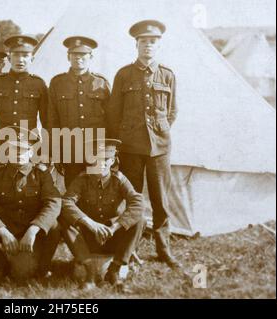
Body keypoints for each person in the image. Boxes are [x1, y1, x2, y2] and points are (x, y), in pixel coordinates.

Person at [107, 20, 180, 268]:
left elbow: (172, 112)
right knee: (133, 199)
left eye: (153, 41)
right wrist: (120, 143)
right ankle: (130, 247)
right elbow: (113, 113)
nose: (148, 45)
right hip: (130, 147)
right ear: (136, 44)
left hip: (159, 148)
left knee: (161, 201)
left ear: (158, 45)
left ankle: (163, 249)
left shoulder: (167, 75)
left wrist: (160, 131)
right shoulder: (124, 74)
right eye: (143, 41)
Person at [0, 126, 62, 280]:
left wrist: (34, 229)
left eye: (24, 150)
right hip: (8, 226)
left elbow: (53, 203)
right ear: (7, 153)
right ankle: (2, 266)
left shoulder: (41, 173)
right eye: (15, 150)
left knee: (54, 227)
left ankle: (44, 268)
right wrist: (3, 231)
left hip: (32, 226)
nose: (19, 154)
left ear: (31, 153)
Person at [61, 138, 146, 290]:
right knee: (64, 219)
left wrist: (115, 227)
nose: (101, 163)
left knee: (139, 219)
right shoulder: (82, 179)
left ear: (113, 160)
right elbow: (66, 202)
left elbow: (138, 202)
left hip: (112, 236)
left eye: (106, 159)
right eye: (96, 159)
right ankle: (90, 273)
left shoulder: (119, 179)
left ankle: (114, 270)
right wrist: (90, 224)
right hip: (89, 238)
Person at [48, 36, 110, 188]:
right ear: (68, 57)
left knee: (96, 189)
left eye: (83, 54)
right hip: (70, 146)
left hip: (96, 146)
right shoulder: (58, 83)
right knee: (72, 190)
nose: (78, 58)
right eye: (74, 54)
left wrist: (108, 150)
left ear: (91, 57)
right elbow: (52, 119)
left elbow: (111, 118)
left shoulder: (101, 82)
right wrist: (56, 150)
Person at [0, 35, 48, 167]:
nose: (20, 60)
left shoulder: (39, 84)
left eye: (25, 55)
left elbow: (47, 121)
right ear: (8, 58)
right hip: (3, 146)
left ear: (32, 58)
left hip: (31, 145)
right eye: (16, 55)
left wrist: (46, 151)